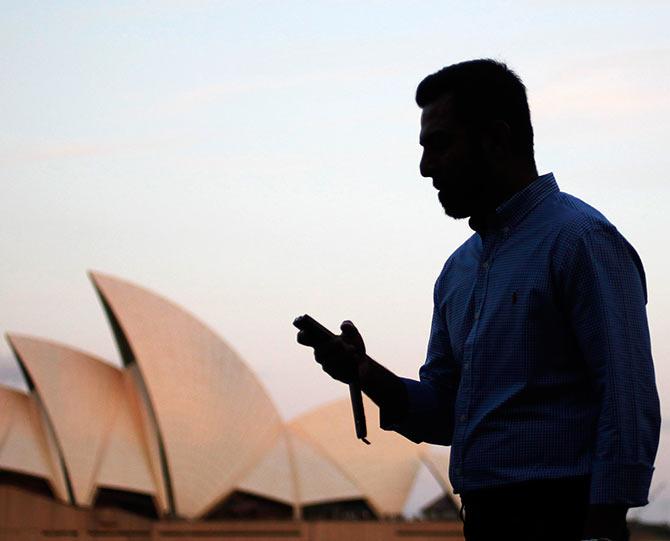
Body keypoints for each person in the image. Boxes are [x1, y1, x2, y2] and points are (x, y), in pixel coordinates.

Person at [295, 59, 661, 541]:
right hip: (484, 521)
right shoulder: (457, 273)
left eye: (440, 144)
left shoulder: (581, 242)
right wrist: (364, 375)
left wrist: (602, 530)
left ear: (496, 138)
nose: (425, 167)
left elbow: (626, 399)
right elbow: (451, 412)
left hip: (563, 519)